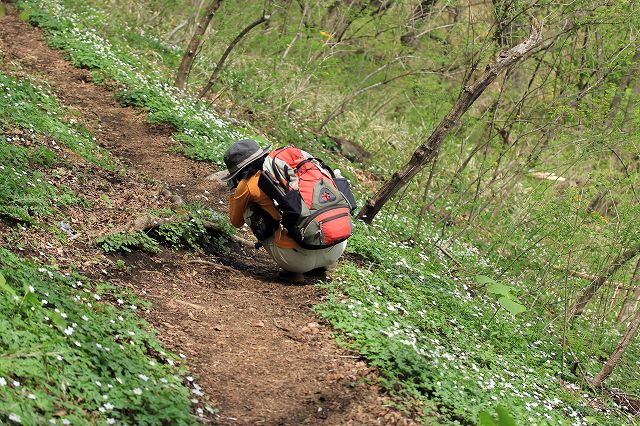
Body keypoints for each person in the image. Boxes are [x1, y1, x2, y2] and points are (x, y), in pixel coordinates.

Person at [222, 139, 347, 283]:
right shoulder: (294, 169)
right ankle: (323, 265)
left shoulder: (247, 184)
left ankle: (293, 272)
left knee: (248, 210)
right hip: (335, 246)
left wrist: (235, 191)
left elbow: (236, 222)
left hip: (297, 261)